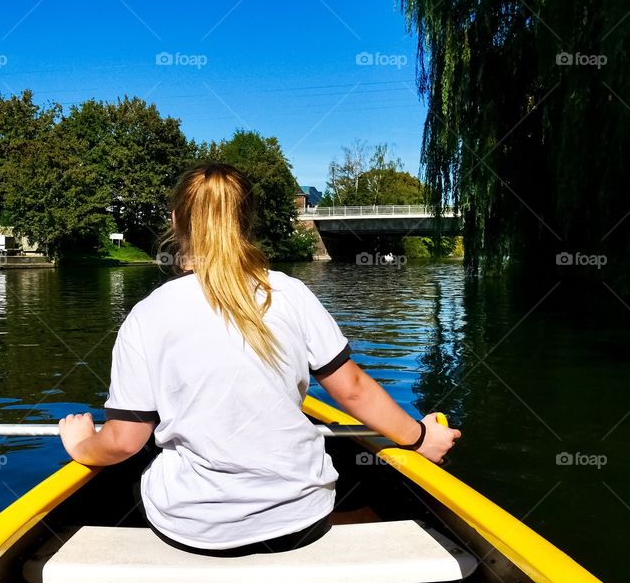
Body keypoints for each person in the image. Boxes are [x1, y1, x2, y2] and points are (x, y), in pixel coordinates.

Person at [59, 163, 460, 556]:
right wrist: (420, 438)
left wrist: (83, 445)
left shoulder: (147, 314)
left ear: (176, 219)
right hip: (302, 521)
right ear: (247, 220)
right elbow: (353, 391)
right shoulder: (290, 293)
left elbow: (125, 442)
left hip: (194, 530)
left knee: (136, 463)